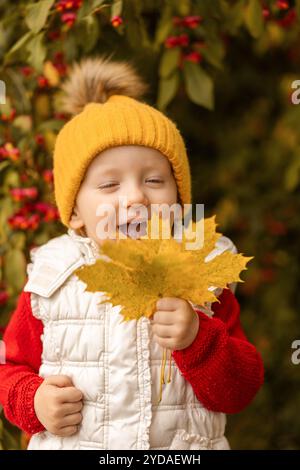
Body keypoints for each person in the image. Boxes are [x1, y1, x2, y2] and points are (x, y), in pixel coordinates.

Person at [0, 57, 264, 450]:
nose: (136, 196)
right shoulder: (53, 282)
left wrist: (198, 339)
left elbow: (240, 390)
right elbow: (10, 368)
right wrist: (33, 400)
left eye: (154, 180)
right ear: (74, 212)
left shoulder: (201, 275)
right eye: (109, 185)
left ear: (178, 198)